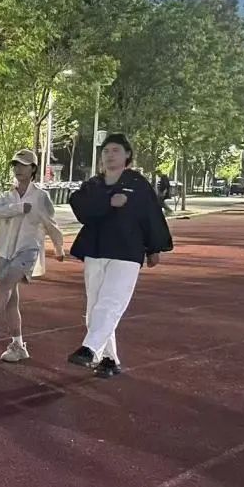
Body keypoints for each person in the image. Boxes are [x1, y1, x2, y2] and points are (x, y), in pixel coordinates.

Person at [67, 133, 172, 378]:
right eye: (106, 151)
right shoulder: (93, 185)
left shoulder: (138, 184)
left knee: (112, 302)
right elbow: (81, 209)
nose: (110, 155)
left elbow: (150, 215)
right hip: (96, 250)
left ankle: (89, 349)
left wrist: (154, 248)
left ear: (127, 155)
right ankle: (109, 359)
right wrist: (109, 202)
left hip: (127, 252)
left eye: (115, 150)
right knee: (95, 307)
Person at [0, 149, 65, 362]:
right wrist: (18, 208)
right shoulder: (7, 196)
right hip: (6, 249)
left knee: (7, 283)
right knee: (10, 298)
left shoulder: (41, 197)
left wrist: (59, 248)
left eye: (23, 165)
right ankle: (18, 345)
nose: (18, 169)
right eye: (16, 165)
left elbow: (51, 224)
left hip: (28, 249)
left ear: (33, 169)